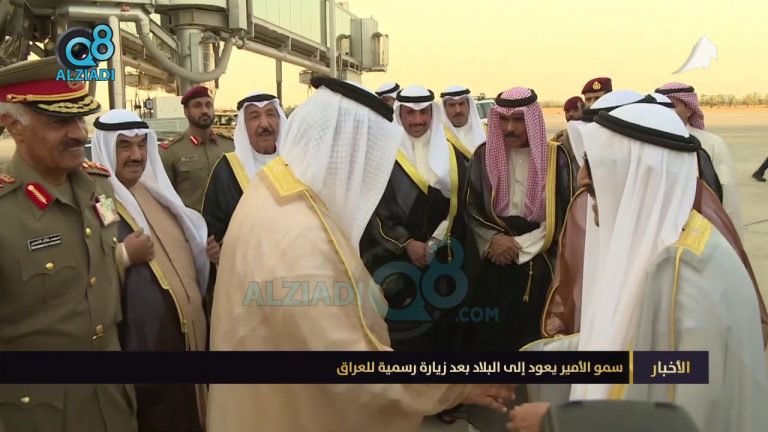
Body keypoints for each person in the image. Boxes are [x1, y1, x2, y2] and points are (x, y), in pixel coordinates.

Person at [206, 76, 514, 432]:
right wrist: (455, 387)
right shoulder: (300, 235)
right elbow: (353, 368)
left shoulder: (274, 186)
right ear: (344, 149)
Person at [513, 103, 768, 432]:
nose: (581, 178)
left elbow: (681, 413)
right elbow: (637, 352)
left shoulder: (683, 271)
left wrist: (556, 421)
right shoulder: (673, 246)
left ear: (637, 175)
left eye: (594, 165)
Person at [0, 56, 137, 431]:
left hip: (112, 403)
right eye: (59, 122)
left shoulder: (99, 186)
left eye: (80, 118)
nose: (79, 133)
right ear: (14, 126)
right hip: (42, 414)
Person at [90, 109, 217, 432]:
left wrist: (205, 253)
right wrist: (123, 256)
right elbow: (83, 272)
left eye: (141, 145)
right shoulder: (100, 200)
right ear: (106, 148)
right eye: (124, 146)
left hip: (184, 343)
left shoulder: (153, 193)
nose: (136, 155)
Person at [463, 87, 576, 352]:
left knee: (531, 338)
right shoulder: (483, 155)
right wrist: (493, 239)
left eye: (518, 120)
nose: (509, 128)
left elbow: (565, 212)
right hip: (493, 260)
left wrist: (520, 247)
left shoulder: (556, 157)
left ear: (532, 120)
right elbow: (471, 206)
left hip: (540, 261)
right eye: (503, 120)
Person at [359, 85, 470, 353]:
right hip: (396, 261)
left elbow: (463, 203)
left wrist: (434, 242)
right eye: (410, 113)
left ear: (432, 113)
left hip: (444, 258)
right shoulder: (383, 153)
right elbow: (375, 209)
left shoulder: (453, 153)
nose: (418, 120)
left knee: (444, 333)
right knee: (405, 335)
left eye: (423, 113)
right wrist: (408, 243)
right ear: (399, 114)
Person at [656, 82, 743, 235]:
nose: (665, 111)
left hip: (700, 230)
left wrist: (731, 236)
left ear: (689, 109)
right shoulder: (647, 143)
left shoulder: (711, 144)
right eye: (660, 106)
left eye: (672, 106)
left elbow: (726, 192)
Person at [202, 91, 286, 245]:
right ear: (243, 126)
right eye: (255, 117)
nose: (265, 124)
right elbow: (214, 228)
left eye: (270, 115)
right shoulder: (227, 169)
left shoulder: (295, 163)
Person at [160, 86, 235, 211]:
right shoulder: (170, 151)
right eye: (197, 106)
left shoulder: (230, 146)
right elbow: (164, 199)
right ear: (186, 111)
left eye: (208, 105)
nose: (204, 110)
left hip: (229, 221)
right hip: (190, 222)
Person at [440, 85, 486, 157]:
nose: (458, 110)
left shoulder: (487, 131)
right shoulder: (440, 137)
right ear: (445, 109)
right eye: (452, 105)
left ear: (469, 105)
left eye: (461, 104)